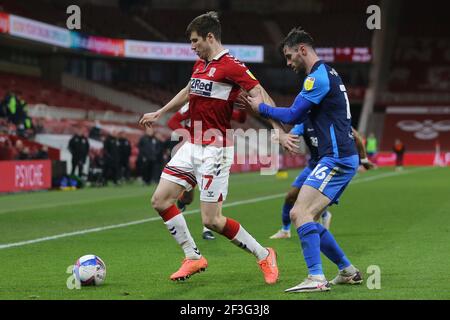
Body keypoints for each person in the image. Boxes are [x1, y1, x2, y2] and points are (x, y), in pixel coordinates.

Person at [139, 11, 279, 284]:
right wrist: (161, 112)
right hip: (193, 143)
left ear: (210, 37)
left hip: (216, 148)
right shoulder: (200, 64)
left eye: (194, 41)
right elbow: (189, 89)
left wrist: (275, 127)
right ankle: (192, 257)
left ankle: (264, 254)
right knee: (160, 200)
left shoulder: (232, 66)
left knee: (212, 221)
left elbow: (257, 92)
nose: (192, 47)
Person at [241, 26, 363, 292]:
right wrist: (285, 134)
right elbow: (304, 116)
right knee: (310, 217)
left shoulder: (316, 78)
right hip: (338, 156)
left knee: (299, 212)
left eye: (289, 56)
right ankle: (347, 270)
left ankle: (316, 278)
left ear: (303, 50)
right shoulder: (328, 73)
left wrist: (259, 108)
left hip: (337, 158)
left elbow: (293, 114)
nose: (288, 62)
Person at [269, 123, 374, 239]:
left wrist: (364, 160)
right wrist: (283, 138)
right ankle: (285, 230)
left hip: (331, 165)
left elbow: (357, 137)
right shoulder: (305, 122)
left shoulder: (334, 119)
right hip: (313, 165)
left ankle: (320, 227)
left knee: (313, 207)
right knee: (290, 196)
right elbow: (292, 135)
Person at [167, 102, 248, 241]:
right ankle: (182, 201)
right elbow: (172, 121)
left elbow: (240, 118)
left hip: (214, 152)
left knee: (209, 190)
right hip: (192, 151)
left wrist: (244, 107)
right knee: (188, 197)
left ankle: (207, 228)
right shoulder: (194, 102)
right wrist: (189, 138)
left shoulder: (221, 104)